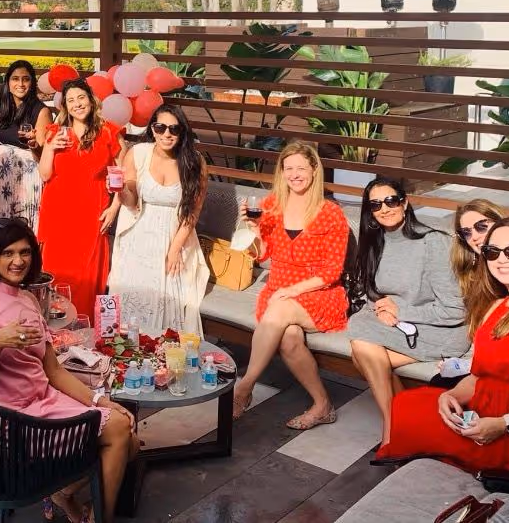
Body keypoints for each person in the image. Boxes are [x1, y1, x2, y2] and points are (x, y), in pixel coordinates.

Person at [0, 218, 136, 523]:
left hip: (43, 403)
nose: (18, 261)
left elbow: (54, 371)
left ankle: (64, 492)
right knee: (121, 433)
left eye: (25, 252)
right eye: (8, 253)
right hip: (11, 419)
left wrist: (100, 401)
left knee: (129, 438)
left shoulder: (30, 298)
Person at [378, 218, 509, 478]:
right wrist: (454, 395)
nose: (502, 260)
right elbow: (479, 375)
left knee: (415, 422)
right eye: (492, 252)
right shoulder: (495, 307)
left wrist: (506, 424)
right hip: (488, 409)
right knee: (407, 403)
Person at [230, 141, 350, 430]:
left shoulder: (330, 213)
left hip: (318, 294)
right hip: (278, 290)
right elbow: (263, 255)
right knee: (289, 338)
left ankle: (244, 387)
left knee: (281, 310)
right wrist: (255, 231)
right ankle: (323, 404)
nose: (295, 174)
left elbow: (333, 271)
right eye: (289, 168)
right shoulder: (271, 205)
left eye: (301, 168)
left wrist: (294, 291)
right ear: (281, 172)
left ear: (313, 171)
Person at [346, 178, 468, 443]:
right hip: (400, 327)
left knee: (362, 352)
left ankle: (392, 430)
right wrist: (383, 311)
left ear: (404, 202)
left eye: (391, 201)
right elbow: (374, 297)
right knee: (361, 334)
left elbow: (454, 310)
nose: (385, 209)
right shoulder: (375, 242)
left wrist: (401, 310)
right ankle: (403, 425)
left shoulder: (432, 242)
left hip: (440, 330)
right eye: (376, 204)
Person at [108, 104, 209, 336]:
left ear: (182, 132)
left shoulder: (195, 162)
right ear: (152, 129)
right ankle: (128, 347)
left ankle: (162, 349)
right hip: (139, 232)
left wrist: (174, 249)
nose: (167, 134)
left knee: (169, 289)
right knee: (133, 289)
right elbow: (132, 202)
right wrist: (121, 190)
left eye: (174, 129)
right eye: (160, 127)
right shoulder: (138, 153)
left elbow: (192, 212)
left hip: (176, 236)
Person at [36, 78, 122, 321]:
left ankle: (85, 336)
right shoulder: (55, 132)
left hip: (91, 215)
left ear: (91, 100)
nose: (77, 104)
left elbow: (123, 173)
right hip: (57, 217)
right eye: (70, 100)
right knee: (56, 277)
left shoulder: (109, 131)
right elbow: (44, 174)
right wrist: (50, 148)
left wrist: (114, 208)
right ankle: (54, 338)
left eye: (80, 98)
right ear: (65, 107)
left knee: (86, 281)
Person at [0, 60, 51, 249]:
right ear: (8, 83)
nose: (21, 84)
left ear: (32, 83)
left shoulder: (40, 111)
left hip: (26, 176)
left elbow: (44, 154)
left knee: (23, 223)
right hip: (0, 179)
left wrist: (33, 144)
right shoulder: (0, 108)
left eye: (26, 79)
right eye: (15, 79)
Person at [452, 199, 505, 302]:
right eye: (466, 232)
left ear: (499, 222)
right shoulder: (469, 273)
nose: (474, 237)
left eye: (481, 226)